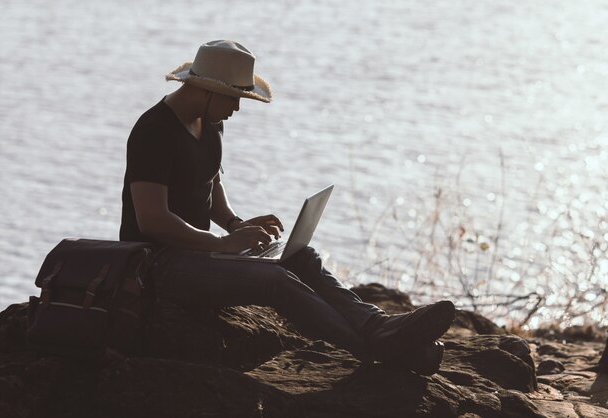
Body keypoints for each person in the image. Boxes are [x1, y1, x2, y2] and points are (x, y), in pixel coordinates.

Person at [120, 40, 455, 374]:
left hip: (200, 254)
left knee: (301, 258)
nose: (237, 108)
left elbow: (210, 184)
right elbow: (152, 221)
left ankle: (376, 326)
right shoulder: (154, 132)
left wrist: (235, 226)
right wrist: (222, 245)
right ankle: (375, 348)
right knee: (275, 279)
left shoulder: (208, 123)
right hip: (158, 266)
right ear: (207, 90)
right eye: (234, 98)